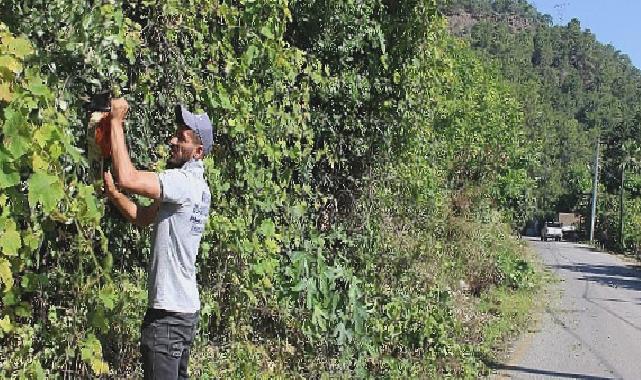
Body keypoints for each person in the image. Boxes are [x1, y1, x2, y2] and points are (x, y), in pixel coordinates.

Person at [103, 99, 212, 379]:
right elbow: (142, 218)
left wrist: (116, 121)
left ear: (197, 152)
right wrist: (115, 195)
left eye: (182, 138)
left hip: (167, 317)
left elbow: (128, 177)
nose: (172, 140)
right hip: (184, 314)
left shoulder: (182, 183)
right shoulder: (198, 189)